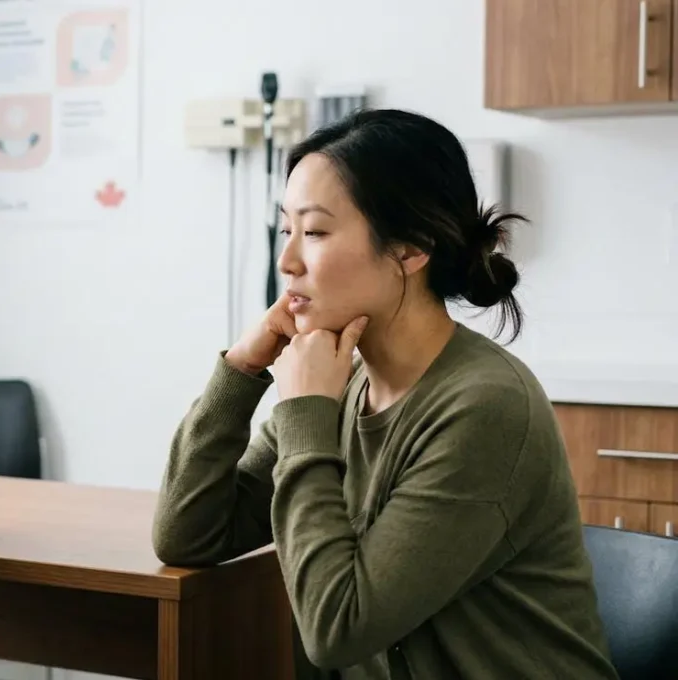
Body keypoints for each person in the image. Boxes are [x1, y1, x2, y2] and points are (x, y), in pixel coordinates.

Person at [152, 109, 618, 679]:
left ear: (410, 249)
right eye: (286, 229)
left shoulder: (485, 407)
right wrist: (240, 372)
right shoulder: (342, 382)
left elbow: (336, 629)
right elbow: (186, 534)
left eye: (315, 232)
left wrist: (304, 414)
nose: (286, 261)